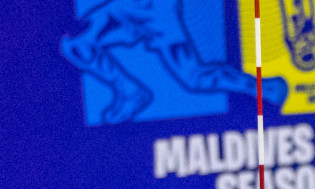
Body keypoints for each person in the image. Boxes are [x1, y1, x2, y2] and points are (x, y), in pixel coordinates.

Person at [62, 0, 287, 124]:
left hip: (155, 10)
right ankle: (131, 92)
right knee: (75, 44)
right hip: (121, 7)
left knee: (194, 79)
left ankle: (262, 87)